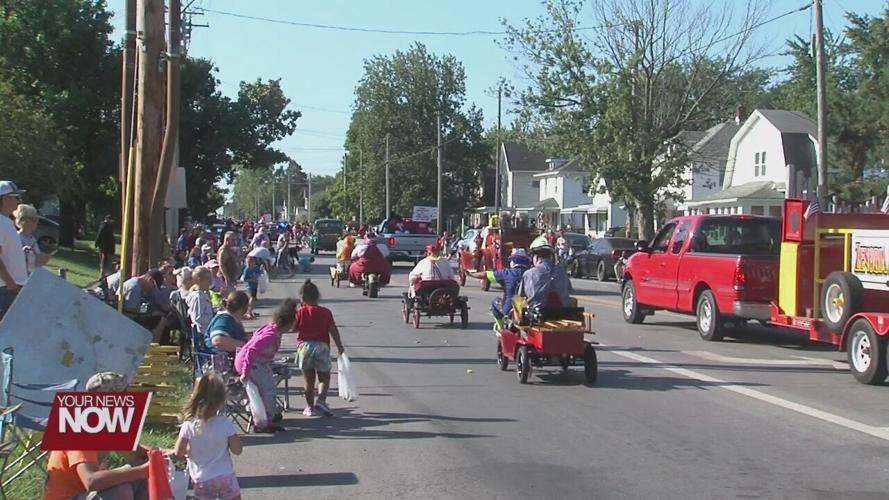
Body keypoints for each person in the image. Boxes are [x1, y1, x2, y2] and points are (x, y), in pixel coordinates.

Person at [44, 372, 150, 500]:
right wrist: (141, 470)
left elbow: (137, 452)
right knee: (121, 491)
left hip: (83, 494)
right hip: (68, 497)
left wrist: (164, 454)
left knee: (142, 478)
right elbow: (91, 481)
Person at [173, 373, 243, 500]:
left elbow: (178, 453)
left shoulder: (189, 425)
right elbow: (237, 450)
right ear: (221, 399)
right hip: (225, 477)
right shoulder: (225, 423)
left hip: (202, 480)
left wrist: (188, 452)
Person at [235, 299, 297, 433]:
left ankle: (264, 417)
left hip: (252, 362)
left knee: (267, 386)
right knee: (268, 390)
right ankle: (263, 422)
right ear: (288, 323)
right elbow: (251, 350)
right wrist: (245, 372)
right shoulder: (271, 335)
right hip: (249, 363)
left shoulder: (271, 328)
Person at [294, 280, 345, 417]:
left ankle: (309, 407)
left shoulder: (300, 312)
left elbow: (294, 328)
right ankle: (321, 401)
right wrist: (340, 347)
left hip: (304, 347)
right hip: (322, 346)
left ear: (302, 298)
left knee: (308, 380)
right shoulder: (326, 312)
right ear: (317, 297)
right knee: (324, 377)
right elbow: (333, 330)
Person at [468, 249, 531, 324]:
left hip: (509, 310)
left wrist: (471, 274)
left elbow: (486, 274)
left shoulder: (506, 273)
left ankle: (501, 327)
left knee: (495, 302)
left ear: (513, 261)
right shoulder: (532, 273)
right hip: (528, 310)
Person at [0, 181, 27, 320]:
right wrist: (10, 283)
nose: (19, 200)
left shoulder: (6, 221)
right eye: (16, 197)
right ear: (4, 198)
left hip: (11, 286)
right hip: (5, 287)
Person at [518, 242, 572, 309]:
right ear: (551, 258)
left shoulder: (529, 273)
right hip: (562, 313)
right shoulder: (561, 271)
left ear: (537, 258)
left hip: (536, 314)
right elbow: (569, 290)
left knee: (517, 302)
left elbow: (520, 296)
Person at [14, 204, 54, 273]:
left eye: (37, 219)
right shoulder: (16, 237)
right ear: (24, 220)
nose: (37, 222)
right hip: (19, 277)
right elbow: (14, 260)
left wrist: (43, 259)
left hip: (31, 277)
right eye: (34, 219)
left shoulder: (33, 239)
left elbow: (35, 262)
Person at [187, 266, 215, 345]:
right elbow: (198, 317)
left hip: (208, 329)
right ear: (199, 280)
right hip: (203, 332)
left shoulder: (204, 295)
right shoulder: (198, 297)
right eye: (208, 280)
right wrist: (214, 319)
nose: (210, 282)